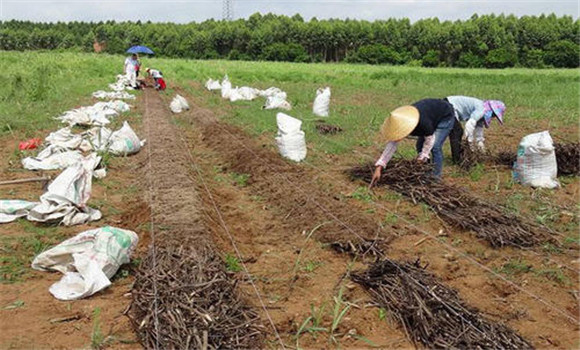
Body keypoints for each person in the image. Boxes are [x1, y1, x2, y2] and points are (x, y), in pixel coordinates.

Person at [370, 98, 455, 187]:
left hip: (445, 115)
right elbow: (392, 144)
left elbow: (430, 139)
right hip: (430, 117)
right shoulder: (402, 122)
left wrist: (422, 158)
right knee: (419, 145)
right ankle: (425, 171)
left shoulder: (423, 123)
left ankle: (435, 179)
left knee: (435, 147)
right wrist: (379, 167)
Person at [446, 96, 506, 163]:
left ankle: (458, 156)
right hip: (448, 105)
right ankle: (457, 159)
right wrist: (470, 145)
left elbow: (479, 135)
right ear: (491, 111)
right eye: (494, 115)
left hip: (449, 106)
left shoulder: (481, 116)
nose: (493, 117)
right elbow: (469, 126)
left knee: (456, 131)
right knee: (457, 131)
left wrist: (482, 151)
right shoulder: (481, 109)